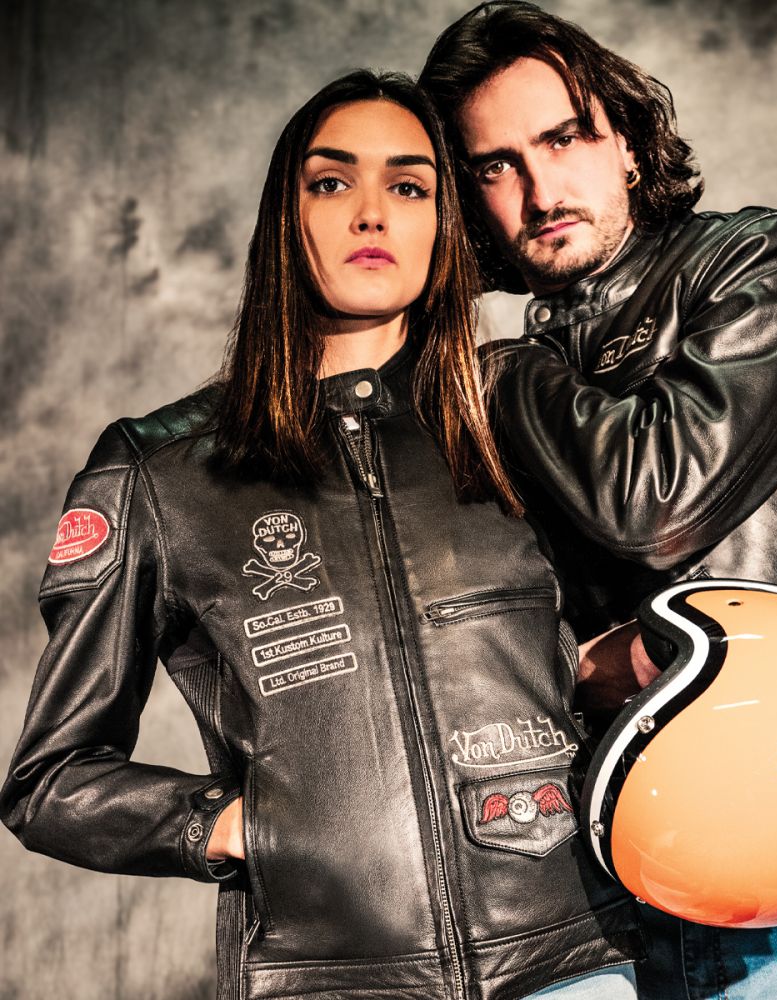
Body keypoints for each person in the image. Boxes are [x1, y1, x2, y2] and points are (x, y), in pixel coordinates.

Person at [0, 71, 646, 1000]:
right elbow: (52, 781)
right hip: (329, 979)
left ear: (445, 226)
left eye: (410, 186)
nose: (372, 213)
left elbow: (601, 655)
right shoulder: (161, 471)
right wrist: (235, 826)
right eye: (333, 182)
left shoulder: (518, 413)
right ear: (285, 217)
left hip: (575, 965)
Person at [419, 4, 777, 998]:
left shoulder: (760, 261)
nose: (541, 190)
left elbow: (660, 500)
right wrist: (577, 663)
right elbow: (491, 648)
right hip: (637, 887)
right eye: (496, 166)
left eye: (564, 138)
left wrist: (499, 374)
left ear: (628, 146)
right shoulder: (514, 388)